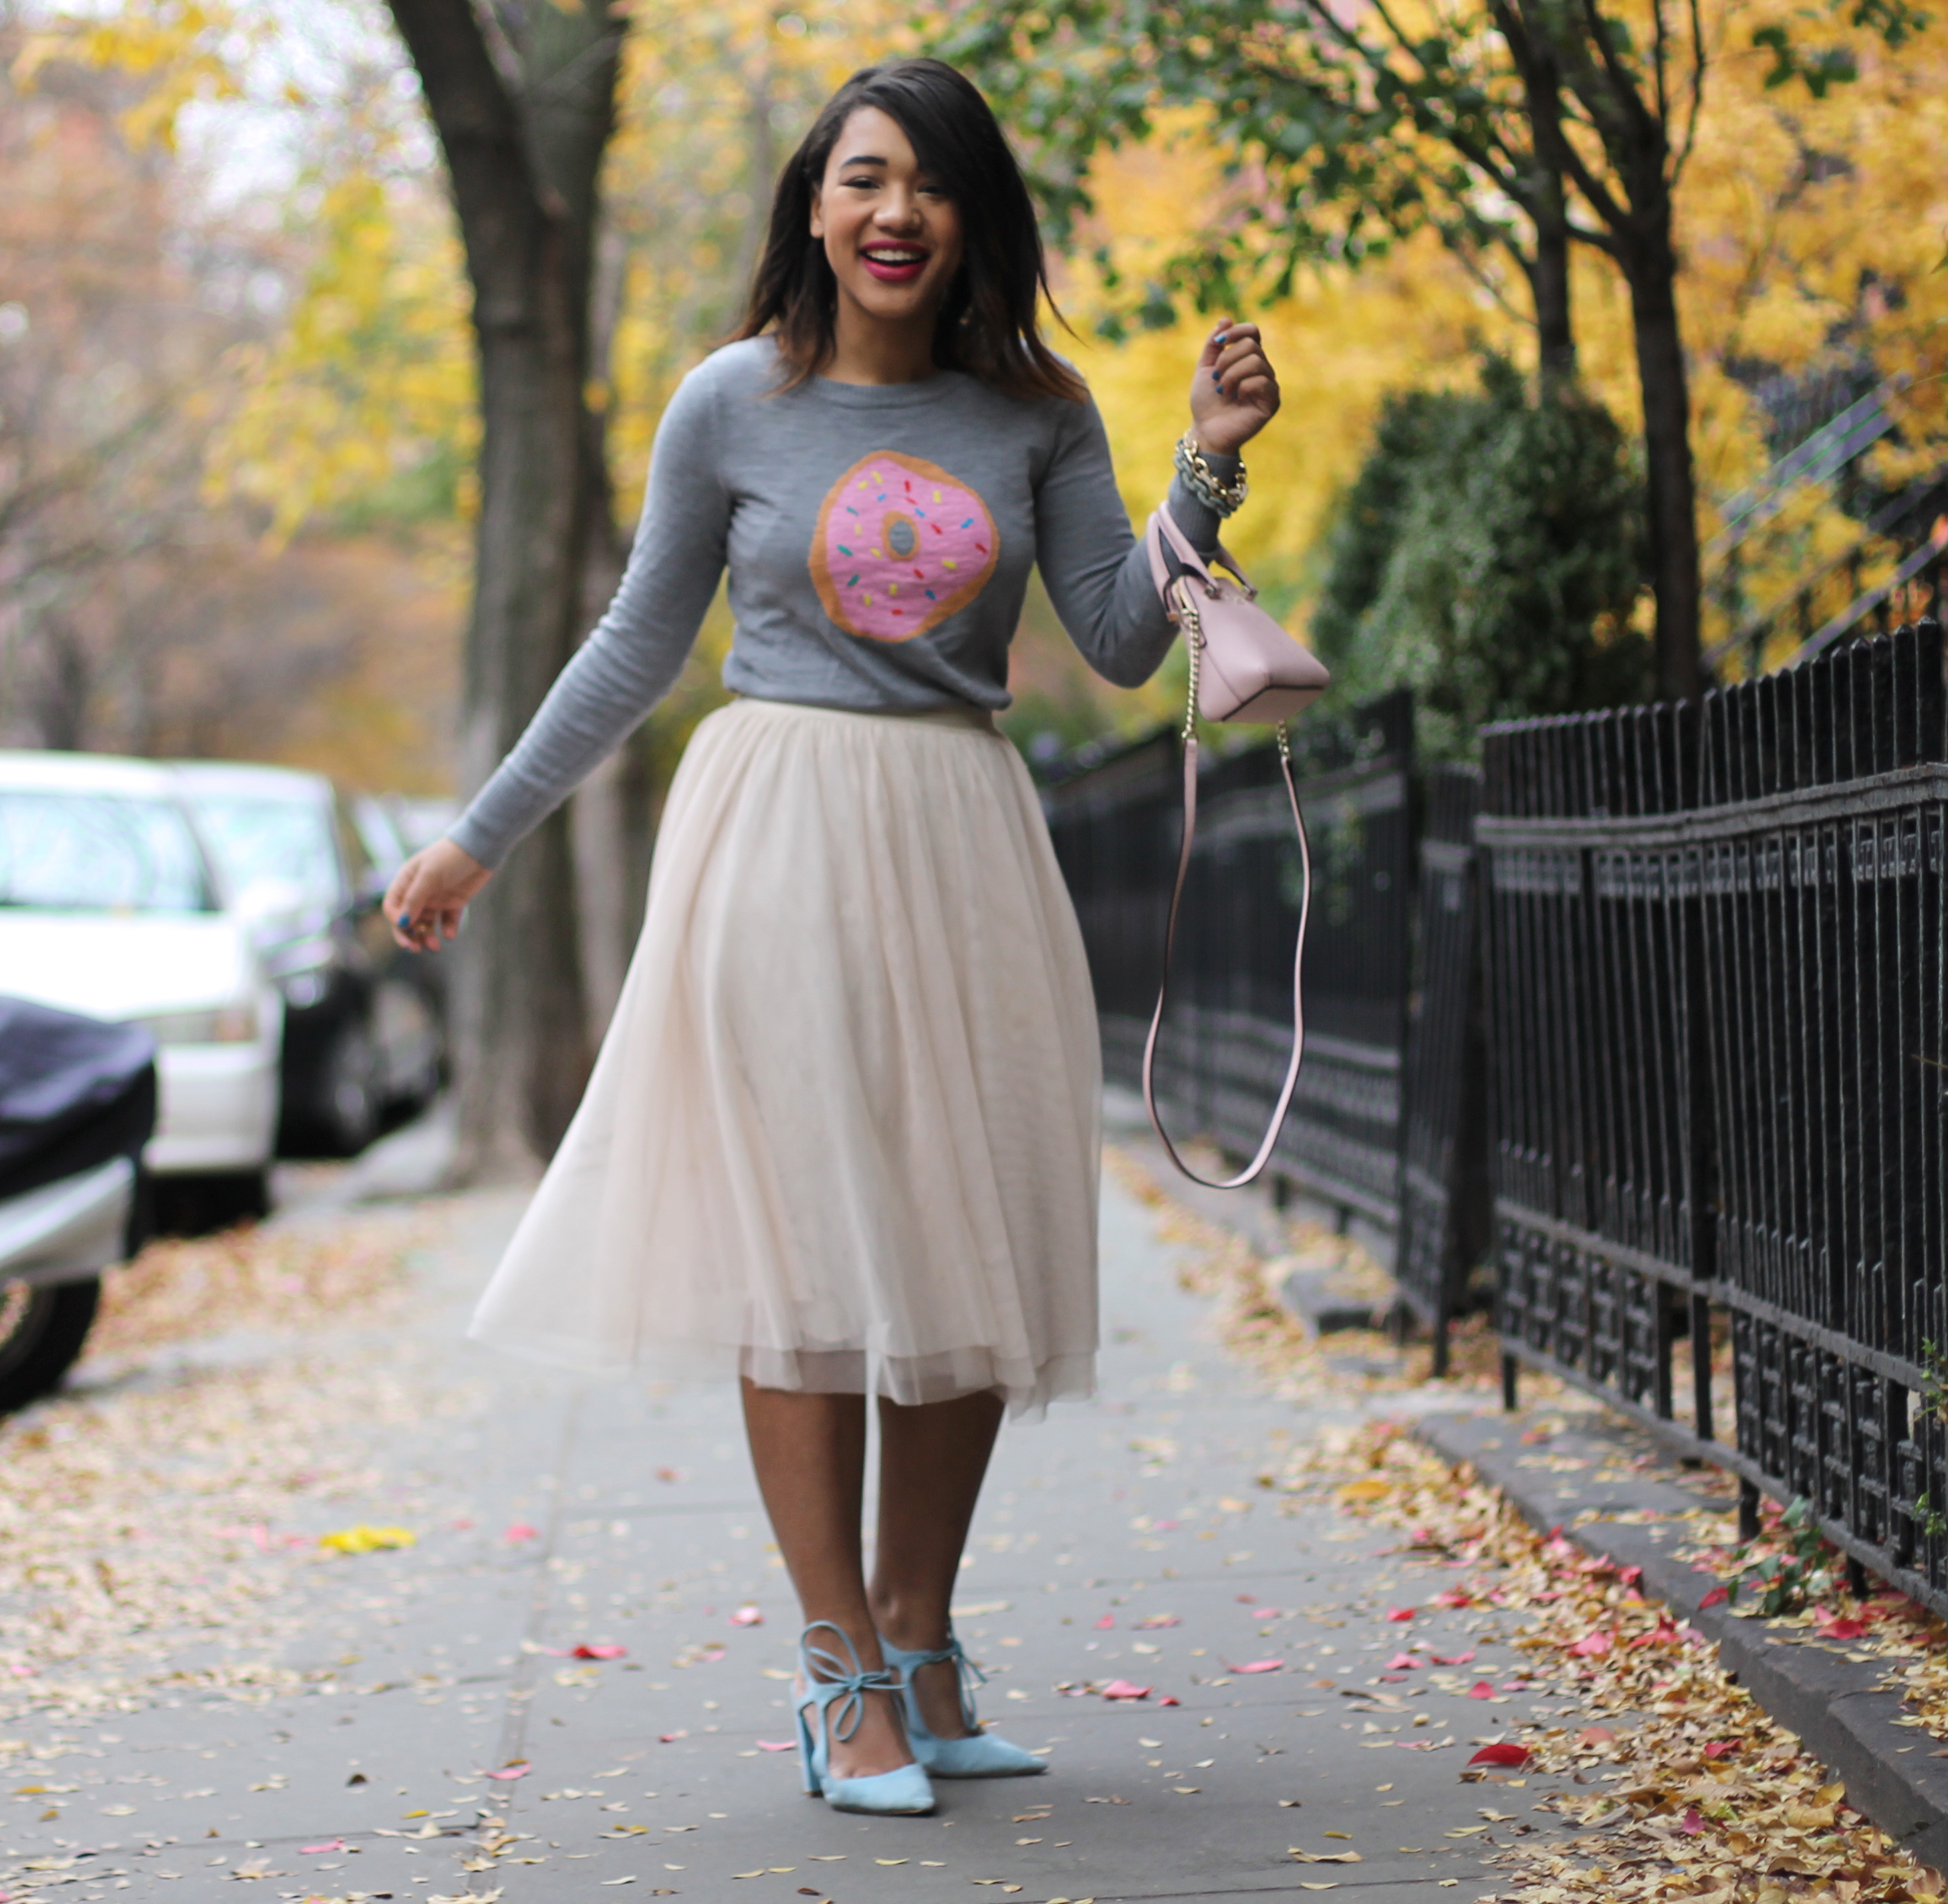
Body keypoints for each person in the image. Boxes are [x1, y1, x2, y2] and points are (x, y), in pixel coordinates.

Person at [382, 55, 1282, 1818]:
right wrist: (476, 840)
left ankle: (921, 1642)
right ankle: (833, 1668)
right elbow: (635, 646)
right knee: (806, 1254)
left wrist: (1206, 467)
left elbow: (1109, 636)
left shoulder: (1038, 412)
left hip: (961, 831)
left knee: (960, 1250)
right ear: (814, 204)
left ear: (971, 224)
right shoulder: (731, 403)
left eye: (931, 186)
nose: (895, 213)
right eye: (865, 179)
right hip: (776, 832)